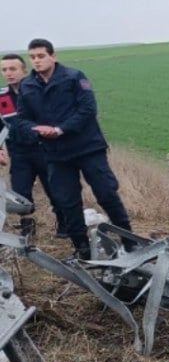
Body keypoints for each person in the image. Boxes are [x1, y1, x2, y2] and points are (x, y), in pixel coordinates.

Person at [14, 38, 132, 259]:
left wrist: (61, 129)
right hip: (56, 155)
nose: (37, 61)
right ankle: (82, 249)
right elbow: (21, 120)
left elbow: (88, 109)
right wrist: (36, 129)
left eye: (41, 56)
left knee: (106, 193)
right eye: (32, 57)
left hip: (87, 148)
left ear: (53, 56)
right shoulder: (28, 86)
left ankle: (130, 241)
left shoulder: (74, 77)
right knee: (67, 201)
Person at [0, 53, 63, 238]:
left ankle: (64, 226)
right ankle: (26, 228)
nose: (8, 73)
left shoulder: (41, 92)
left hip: (45, 150)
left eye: (13, 69)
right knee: (20, 192)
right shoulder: (1, 97)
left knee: (55, 189)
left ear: (24, 71)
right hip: (18, 153)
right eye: (4, 70)